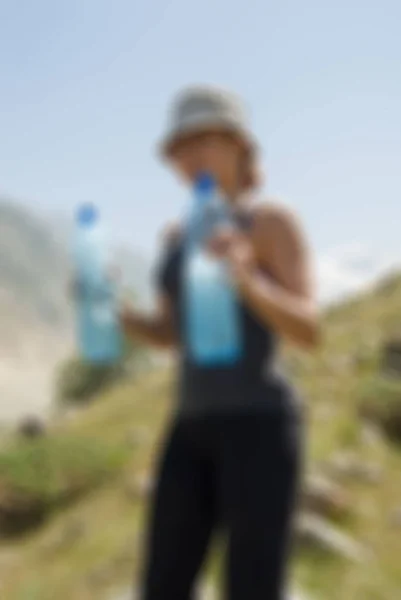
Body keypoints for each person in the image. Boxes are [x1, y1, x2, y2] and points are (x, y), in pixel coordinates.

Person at [122, 85, 319, 600]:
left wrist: (248, 281)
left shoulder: (269, 221)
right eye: (179, 148)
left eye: (202, 141)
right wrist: (119, 317)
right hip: (189, 426)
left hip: (259, 425)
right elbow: (169, 337)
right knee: (162, 585)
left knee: (253, 587)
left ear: (237, 145)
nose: (189, 157)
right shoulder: (174, 237)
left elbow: (309, 331)